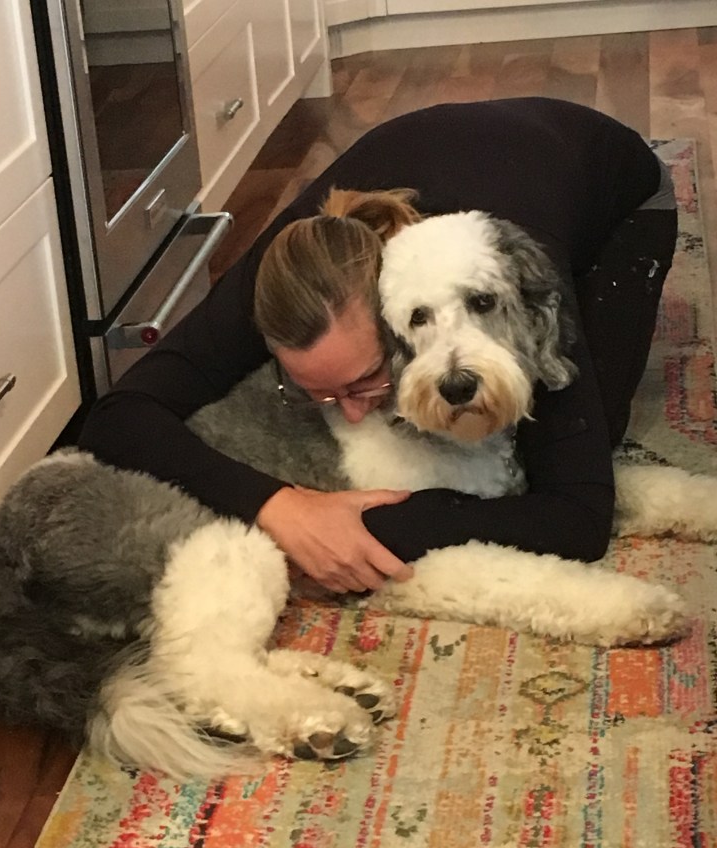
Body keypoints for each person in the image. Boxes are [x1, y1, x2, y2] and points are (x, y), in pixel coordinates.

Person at [78, 97, 678, 594]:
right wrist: (280, 508)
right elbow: (118, 417)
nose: (354, 415)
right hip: (434, 145)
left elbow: (579, 520)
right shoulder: (286, 277)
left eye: (368, 379)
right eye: (317, 392)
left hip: (616, 194)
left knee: (576, 441)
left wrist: (380, 523)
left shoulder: (514, 258)